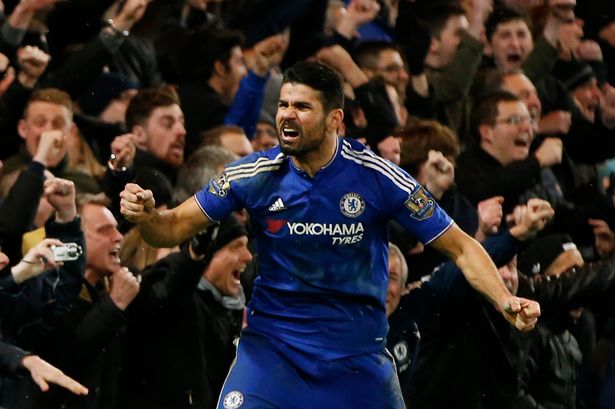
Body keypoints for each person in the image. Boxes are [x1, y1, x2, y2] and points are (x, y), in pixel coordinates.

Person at [120, 61, 540, 408]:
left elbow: (462, 247)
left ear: (334, 118)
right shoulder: (254, 174)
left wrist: (504, 300)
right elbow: (170, 227)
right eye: (283, 104)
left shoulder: (378, 178)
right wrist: (146, 215)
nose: (286, 114)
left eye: (302, 106)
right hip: (272, 355)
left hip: (355, 361)